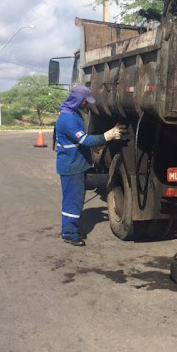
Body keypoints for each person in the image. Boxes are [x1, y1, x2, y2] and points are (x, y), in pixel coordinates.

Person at [55, 85, 124, 246]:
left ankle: (71, 229)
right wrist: (108, 135)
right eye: (86, 101)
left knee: (75, 200)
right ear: (79, 100)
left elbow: (82, 140)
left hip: (76, 164)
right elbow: (84, 140)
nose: (88, 104)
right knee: (73, 201)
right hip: (72, 167)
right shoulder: (68, 119)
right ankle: (69, 234)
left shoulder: (74, 114)